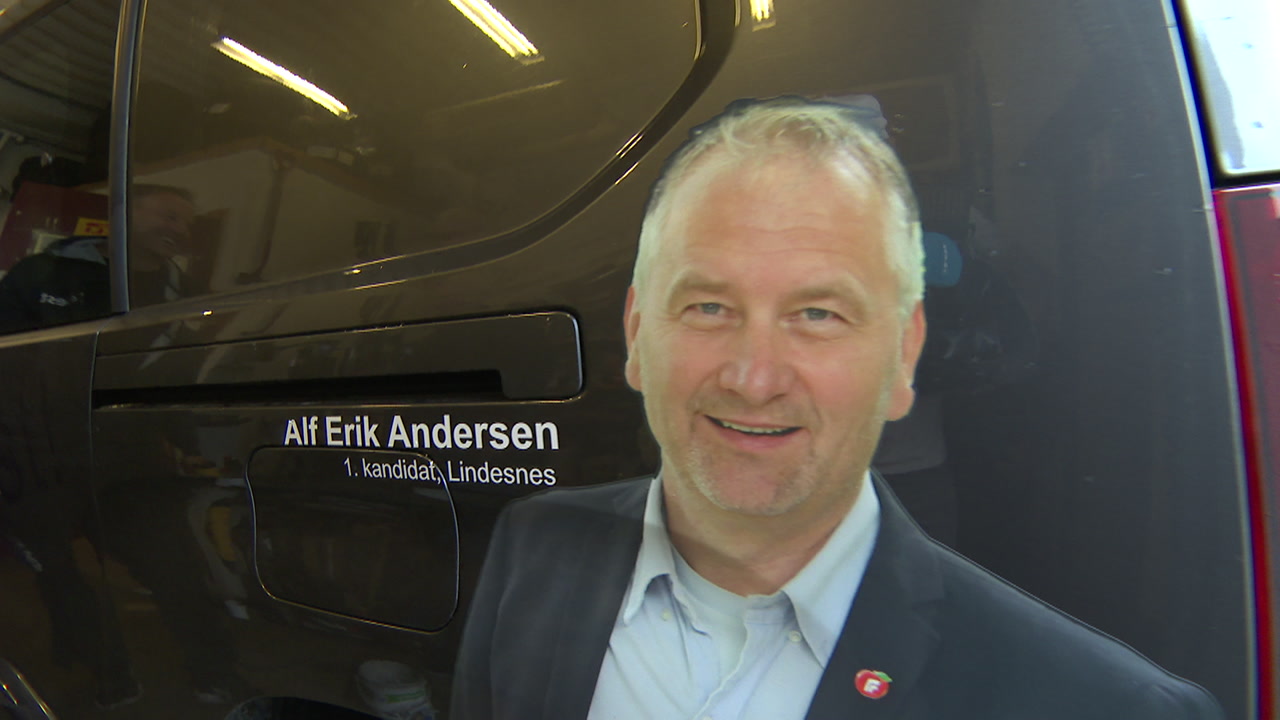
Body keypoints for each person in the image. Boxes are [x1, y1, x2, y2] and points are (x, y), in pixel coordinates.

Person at [450, 98, 1223, 720]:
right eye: (709, 306)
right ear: (636, 334)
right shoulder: (533, 546)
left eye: (818, 314)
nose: (754, 379)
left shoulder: (1103, 707)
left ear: (904, 356)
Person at [0, 184, 194, 333]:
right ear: (124, 213)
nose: (182, 231)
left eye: (188, 225)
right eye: (171, 217)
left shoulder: (187, 295)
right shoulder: (39, 272)